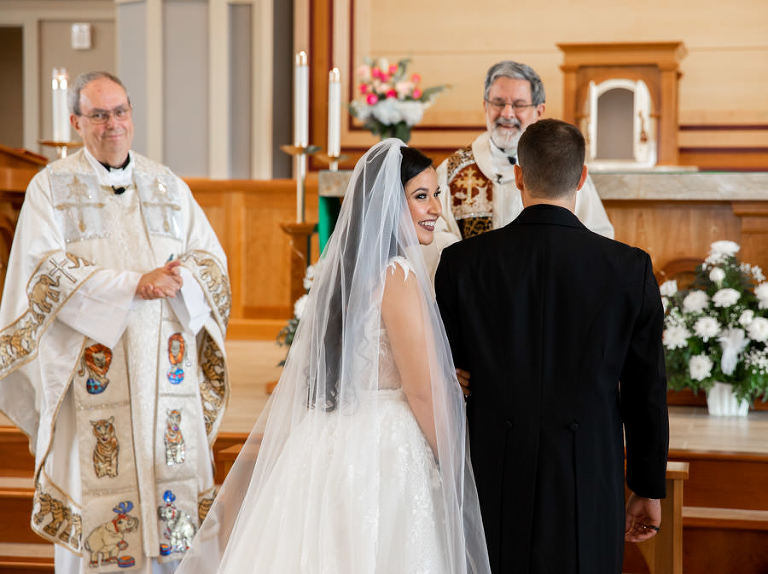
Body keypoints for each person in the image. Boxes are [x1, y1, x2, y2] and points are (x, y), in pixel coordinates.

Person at [176, 140, 490, 574]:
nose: (436, 207)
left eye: (436, 194)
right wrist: (454, 458)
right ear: (384, 205)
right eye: (420, 196)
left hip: (328, 439)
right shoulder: (396, 274)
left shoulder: (343, 272)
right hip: (387, 450)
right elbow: (420, 390)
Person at [0, 71, 231, 574]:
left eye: (120, 111)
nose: (112, 124)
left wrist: (179, 276)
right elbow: (43, 273)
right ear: (76, 122)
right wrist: (132, 285)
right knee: (104, 503)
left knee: (171, 496)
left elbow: (211, 263)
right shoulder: (50, 188)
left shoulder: (167, 183)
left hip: (165, 375)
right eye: (99, 115)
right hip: (92, 379)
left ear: (131, 114)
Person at [435, 119, 668, 573]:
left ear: (519, 176)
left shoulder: (462, 263)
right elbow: (646, 392)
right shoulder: (629, 268)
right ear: (582, 178)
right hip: (589, 475)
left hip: (491, 472)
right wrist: (646, 486)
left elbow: (448, 368)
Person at [423, 60, 613, 276]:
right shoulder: (452, 171)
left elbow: (598, 237)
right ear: (485, 106)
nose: (507, 113)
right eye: (498, 102)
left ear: (539, 110)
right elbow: (433, 233)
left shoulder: (562, 163)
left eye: (519, 104)